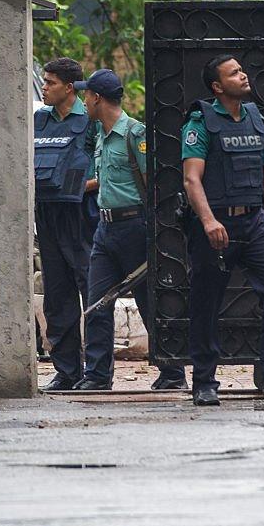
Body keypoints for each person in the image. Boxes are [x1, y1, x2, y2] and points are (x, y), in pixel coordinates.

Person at [181, 55, 264, 406]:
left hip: (255, 222)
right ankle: (205, 381)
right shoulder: (200, 121)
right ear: (217, 86)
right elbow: (192, 179)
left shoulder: (255, 116)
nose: (243, 75)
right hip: (217, 223)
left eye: (241, 70)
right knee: (206, 302)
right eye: (234, 73)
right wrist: (208, 221)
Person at [73, 69, 188, 391]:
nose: (84, 101)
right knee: (97, 304)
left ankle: (172, 373)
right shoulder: (100, 136)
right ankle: (96, 376)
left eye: (86, 96)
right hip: (105, 228)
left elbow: (157, 183)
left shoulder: (134, 134)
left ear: (97, 98)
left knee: (150, 302)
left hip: (135, 227)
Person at [34, 58, 96, 392]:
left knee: (92, 288)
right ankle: (67, 370)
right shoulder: (39, 120)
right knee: (57, 295)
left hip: (80, 215)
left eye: (50, 82)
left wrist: (78, 188)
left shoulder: (89, 120)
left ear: (69, 87)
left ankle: (97, 371)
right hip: (47, 214)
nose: (43, 87)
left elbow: (108, 169)